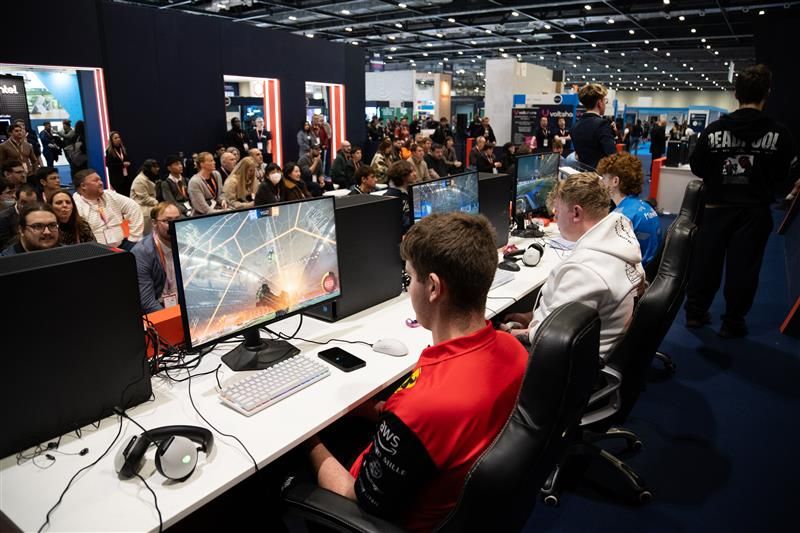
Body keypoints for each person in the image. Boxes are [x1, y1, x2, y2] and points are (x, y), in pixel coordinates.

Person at [305, 212, 526, 532]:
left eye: (409, 279)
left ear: (434, 287)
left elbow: (352, 495)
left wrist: (308, 439)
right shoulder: (514, 351)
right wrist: (379, 411)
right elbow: (439, 427)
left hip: (388, 517)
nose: (409, 290)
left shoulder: (423, 407)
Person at [685, 64, 799, 338]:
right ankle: (733, 321)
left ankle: (695, 314)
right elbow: (786, 174)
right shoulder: (780, 133)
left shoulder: (713, 131)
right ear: (766, 94)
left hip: (715, 209)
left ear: (736, 94)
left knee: (705, 264)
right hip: (755, 210)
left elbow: (698, 167)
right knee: (744, 268)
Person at [505, 172, 645, 360]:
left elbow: (546, 337)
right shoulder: (621, 240)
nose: (556, 216)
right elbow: (571, 310)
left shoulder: (585, 270)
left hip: (568, 365)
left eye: (557, 210)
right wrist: (530, 317)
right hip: (592, 345)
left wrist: (506, 334)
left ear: (576, 213)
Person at [597, 153, 662, 267]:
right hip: (649, 270)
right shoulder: (646, 206)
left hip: (634, 275)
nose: (601, 182)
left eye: (604, 178)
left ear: (615, 181)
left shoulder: (619, 217)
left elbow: (605, 257)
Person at [72, 169, 143, 250]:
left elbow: (133, 208)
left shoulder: (109, 195)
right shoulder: (75, 205)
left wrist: (133, 238)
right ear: (83, 186)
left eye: (100, 180)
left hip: (123, 244)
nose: (101, 183)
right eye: (96, 181)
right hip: (97, 251)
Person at [132, 202, 182, 314]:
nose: (174, 224)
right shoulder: (142, 252)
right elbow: (147, 302)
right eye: (167, 221)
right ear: (154, 223)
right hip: (160, 308)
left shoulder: (186, 243)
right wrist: (174, 318)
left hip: (183, 304)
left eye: (177, 219)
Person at [571, 83, 617, 170]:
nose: (605, 104)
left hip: (584, 176)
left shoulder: (575, 127)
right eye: (604, 101)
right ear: (599, 103)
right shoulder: (602, 124)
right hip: (600, 178)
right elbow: (613, 156)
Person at [0, 184, 38, 249]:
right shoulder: (3, 218)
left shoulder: (40, 214)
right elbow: (5, 246)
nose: (27, 207)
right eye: (24, 202)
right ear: (16, 199)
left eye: (32, 203)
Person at [385, 160, 417, 234]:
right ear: (403, 176)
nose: (415, 174)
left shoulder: (411, 190)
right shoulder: (391, 197)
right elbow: (402, 222)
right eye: (411, 172)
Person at [130, 159, 160, 224]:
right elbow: (145, 199)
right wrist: (158, 203)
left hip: (149, 205)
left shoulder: (149, 177)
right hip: (141, 208)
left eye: (157, 167)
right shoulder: (139, 180)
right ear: (148, 168)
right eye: (155, 167)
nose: (157, 169)